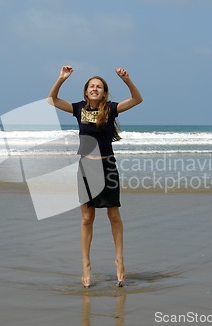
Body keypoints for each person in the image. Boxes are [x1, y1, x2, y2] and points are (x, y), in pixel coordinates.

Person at [48, 65, 143, 288]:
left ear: (104, 92)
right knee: (86, 219)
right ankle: (86, 266)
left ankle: (119, 261)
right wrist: (61, 79)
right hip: (86, 169)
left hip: (107, 167)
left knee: (114, 216)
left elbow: (137, 99)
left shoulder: (111, 108)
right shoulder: (78, 108)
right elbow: (51, 99)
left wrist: (127, 80)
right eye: (91, 86)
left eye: (99, 87)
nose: (95, 89)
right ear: (86, 91)